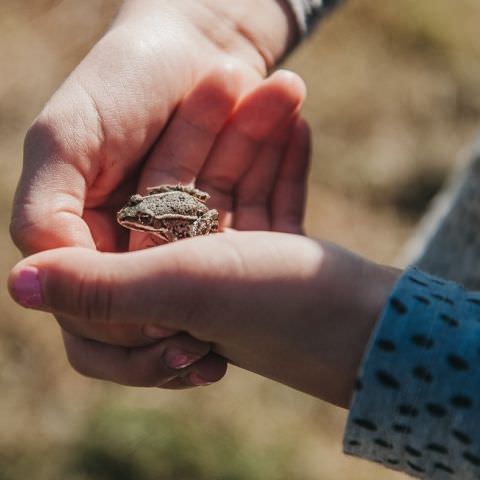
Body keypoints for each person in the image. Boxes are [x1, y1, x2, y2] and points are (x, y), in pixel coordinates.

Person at [8, 1, 480, 478]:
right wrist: (209, 23)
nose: (130, 220)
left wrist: (369, 337)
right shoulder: (145, 214)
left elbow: (191, 218)